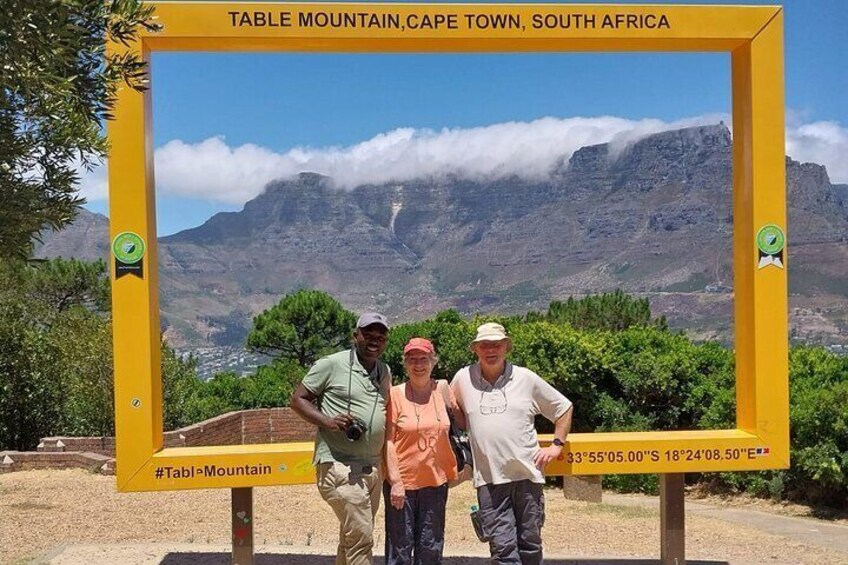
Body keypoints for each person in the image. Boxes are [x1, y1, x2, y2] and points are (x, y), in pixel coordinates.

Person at [451, 322, 573, 565]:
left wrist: (557, 445)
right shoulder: (463, 378)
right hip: (489, 480)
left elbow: (563, 408)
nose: (491, 350)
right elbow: (451, 406)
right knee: (503, 550)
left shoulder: (526, 378)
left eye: (496, 344)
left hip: (527, 476)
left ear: (506, 347)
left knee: (530, 546)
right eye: (485, 345)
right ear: (476, 349)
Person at [290, 312, 392, 565]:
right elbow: (297, 399)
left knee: (351, 537)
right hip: (339, 466)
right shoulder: (331, 364)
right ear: (355, 335)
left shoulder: (384, 370)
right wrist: (328, 421)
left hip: (371, 468)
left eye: (381, 336)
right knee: (361, 537)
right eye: (368, 334)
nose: (374, 340)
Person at [383, 337, 463, 565]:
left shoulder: (444, 391)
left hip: (436, 483)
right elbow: (388, 441)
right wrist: (396, 482)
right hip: (402, 485)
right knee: (400, 548)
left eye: (424, 359)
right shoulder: (395, 394)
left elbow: (463, 422)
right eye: (412, 359)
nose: (419, 365)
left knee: (431, 546)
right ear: (405, 364)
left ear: (433, 362)